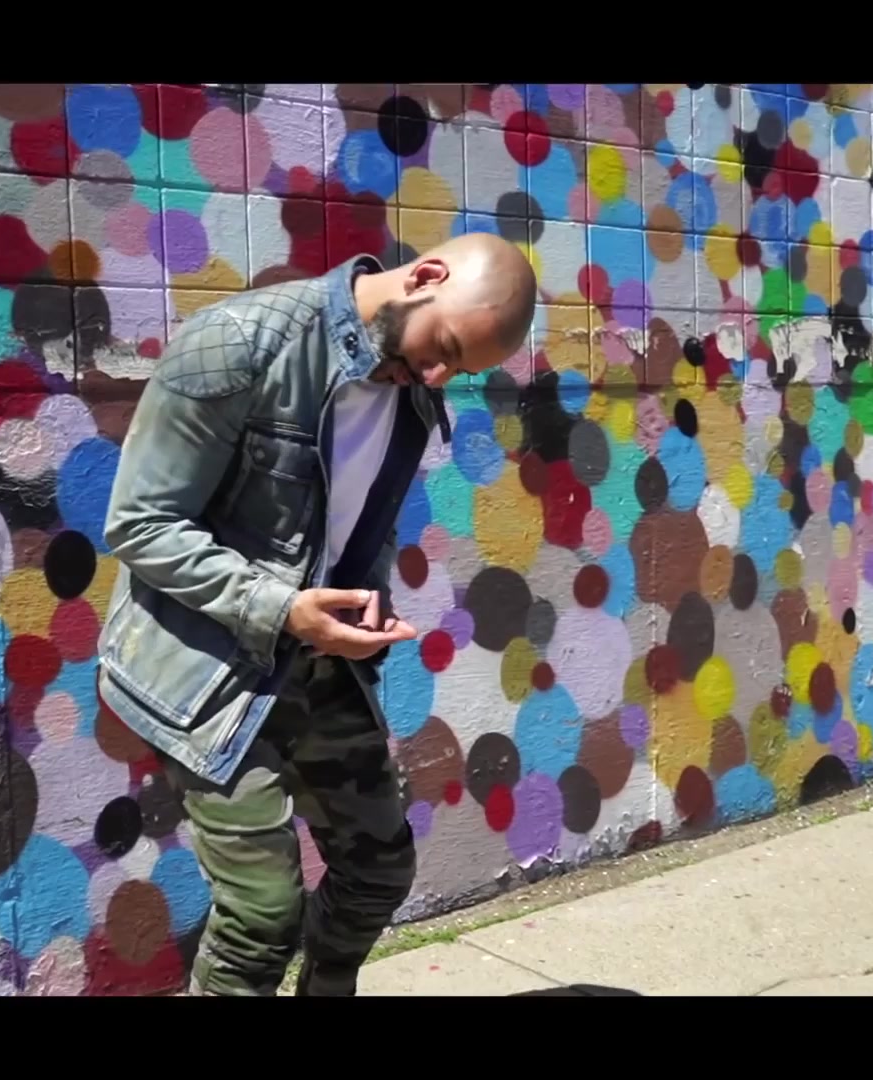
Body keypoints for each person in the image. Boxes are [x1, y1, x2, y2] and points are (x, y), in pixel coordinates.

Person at [97, 234, 539, 996]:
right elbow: (141, 525)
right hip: (204, 672)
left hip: (314, 658)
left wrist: (363, 600)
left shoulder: (410, 385)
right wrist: (284, 608)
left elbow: (352, 519)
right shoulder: (238, 344)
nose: (438, 378)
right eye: (443, 349)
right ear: (426, 276)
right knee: (262, 916)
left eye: (458, 370)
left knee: (377, 872)